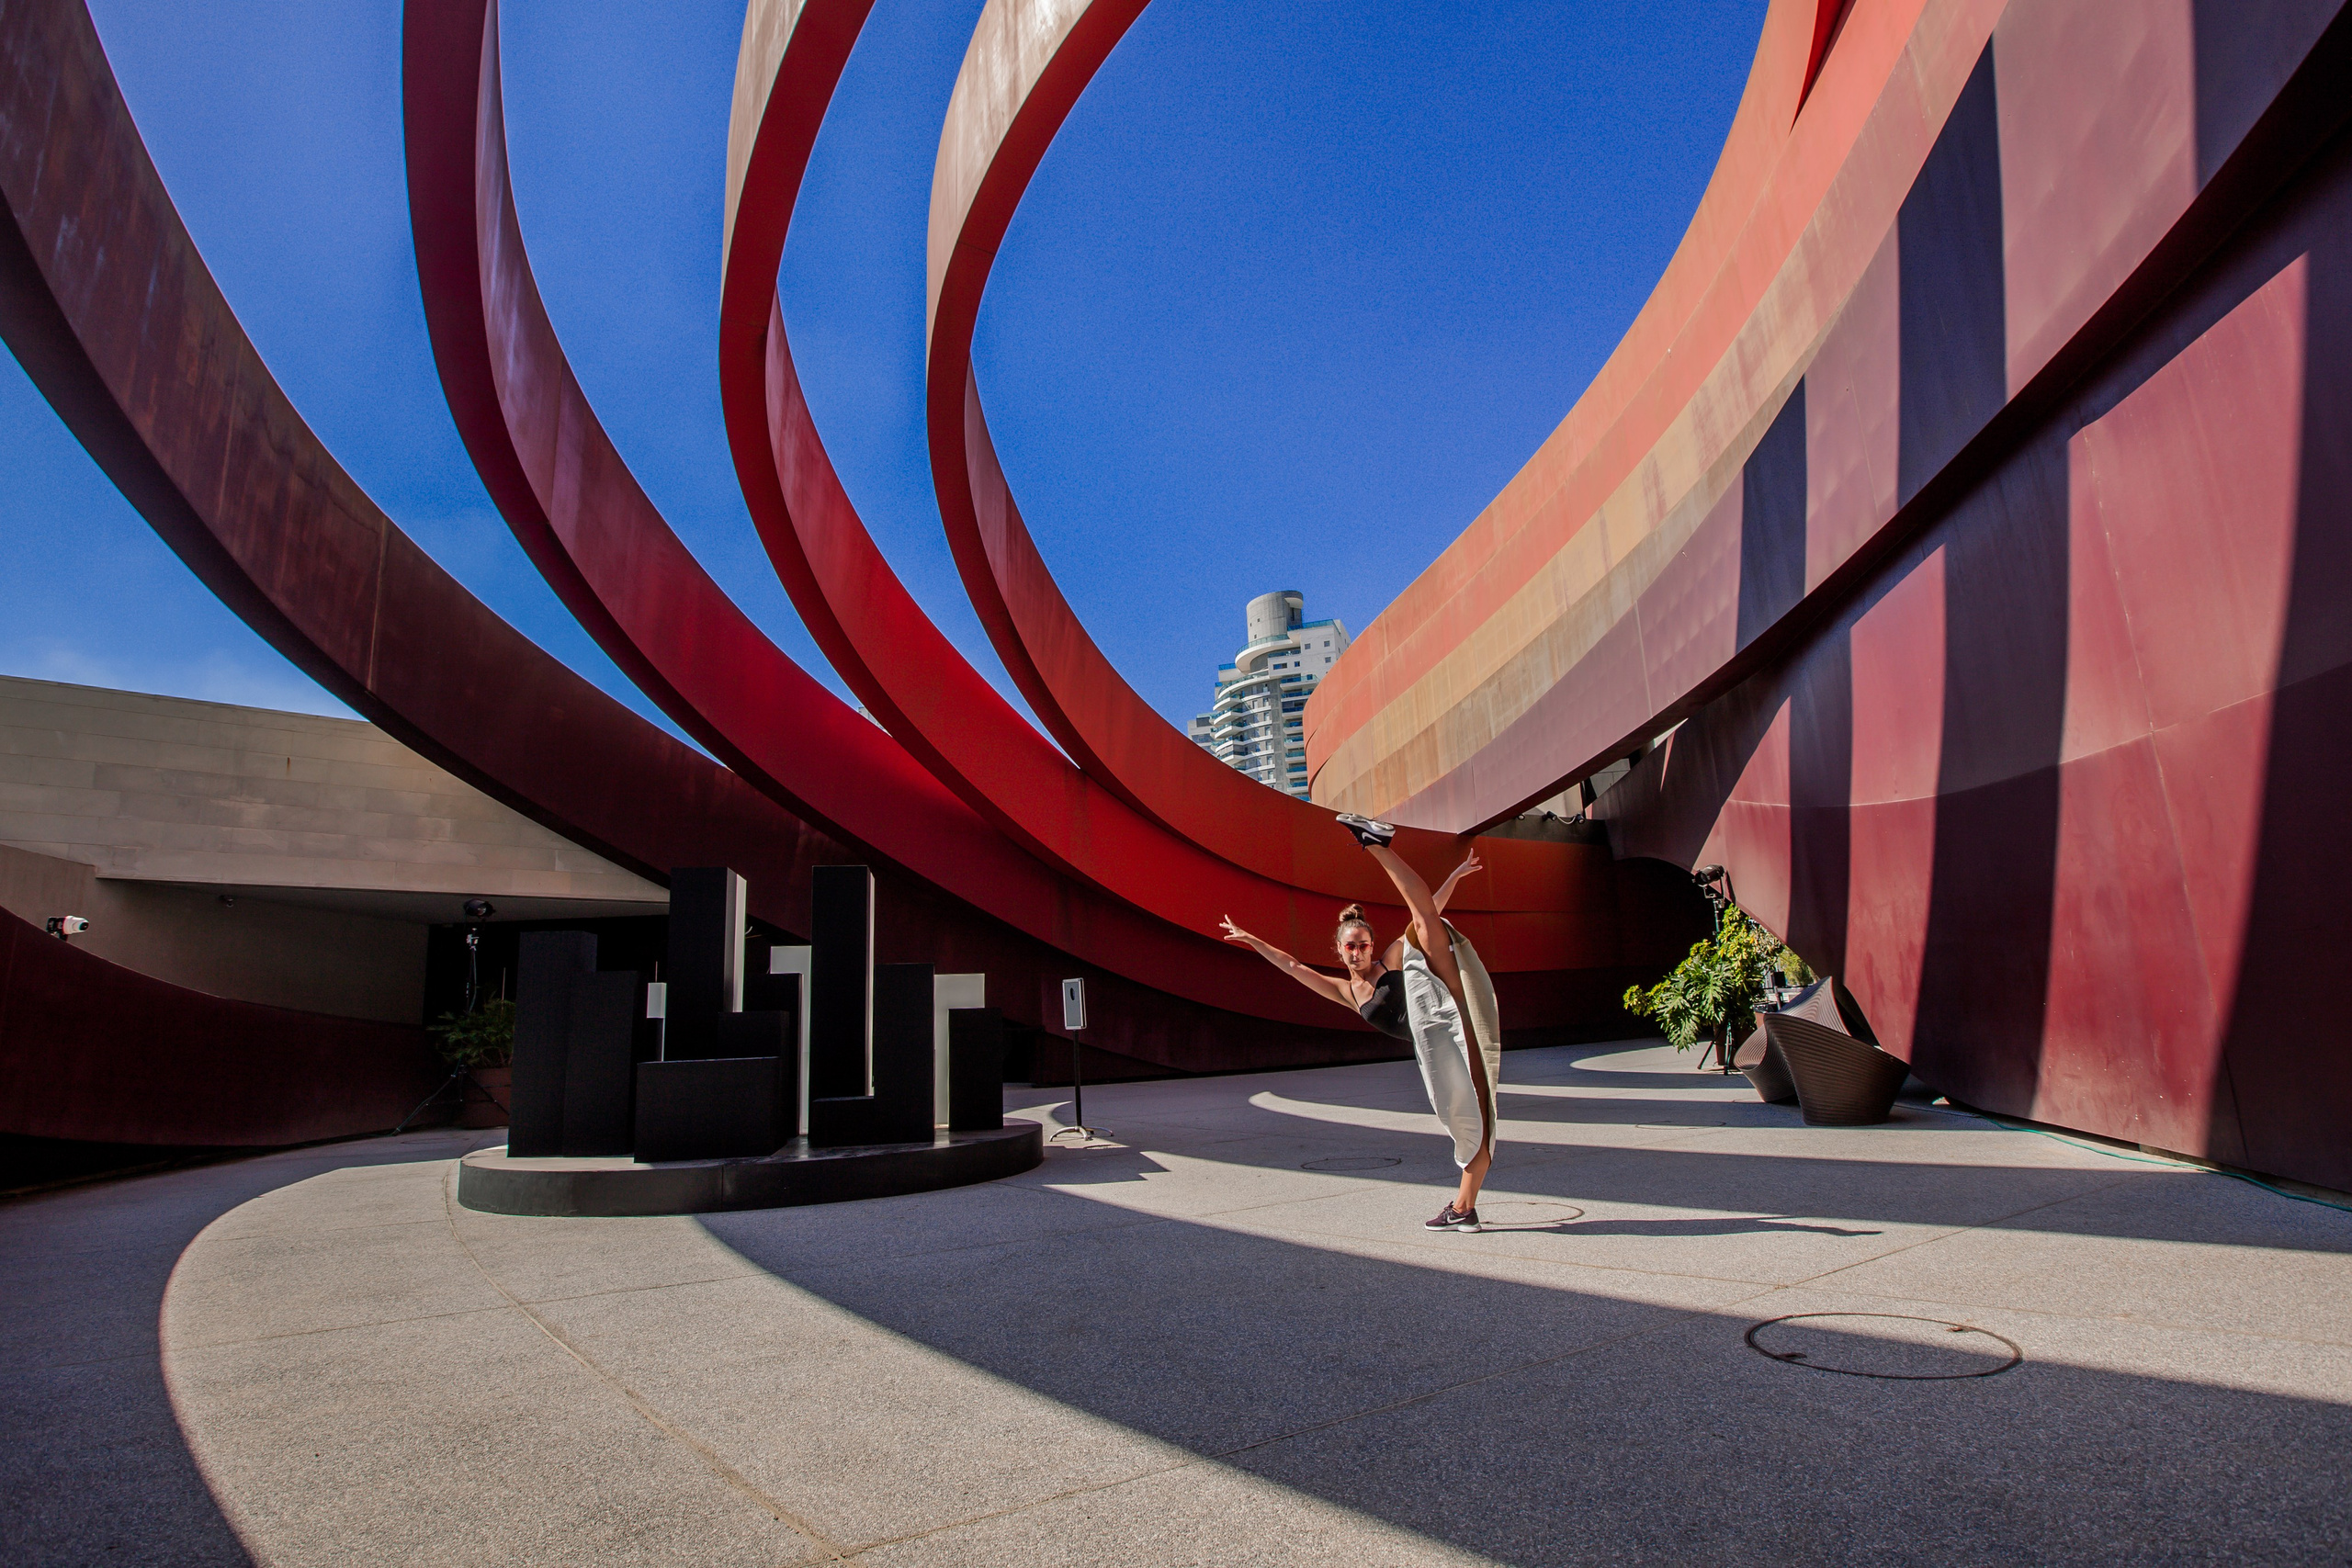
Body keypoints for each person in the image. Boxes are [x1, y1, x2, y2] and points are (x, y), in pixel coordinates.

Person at [1219, 815, 1503, 1233]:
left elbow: (1429, 909)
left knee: (1423, 923)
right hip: (1433, 1045)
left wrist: (1456, 876)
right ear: (1339, 950)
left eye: (1363, 945)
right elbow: (1294, 965)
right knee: (1465, 1119)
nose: (1357, 953)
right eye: (1350, 947)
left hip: (1447, 1011)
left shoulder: (1388, 963)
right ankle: (1464, 1208)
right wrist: (1252, 939)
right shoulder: (1346, 993)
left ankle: (1376, 844)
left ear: (1372, 946)